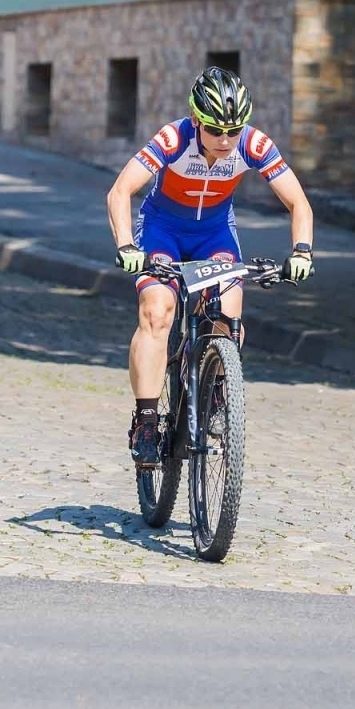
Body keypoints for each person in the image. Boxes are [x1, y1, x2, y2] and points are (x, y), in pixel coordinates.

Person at [104, 66, 315, 465]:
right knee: (156, 310)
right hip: (162, 230)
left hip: (214, 233)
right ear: (197, 120)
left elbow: (298, 202)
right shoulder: (173, 138)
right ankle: (147, 421)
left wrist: (302, 250)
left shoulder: (253, 144)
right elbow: (120, 191)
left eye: (232, 131)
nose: (224, 140)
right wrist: (127, 245)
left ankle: (217, 388)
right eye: (215, 129)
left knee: (228, 311)